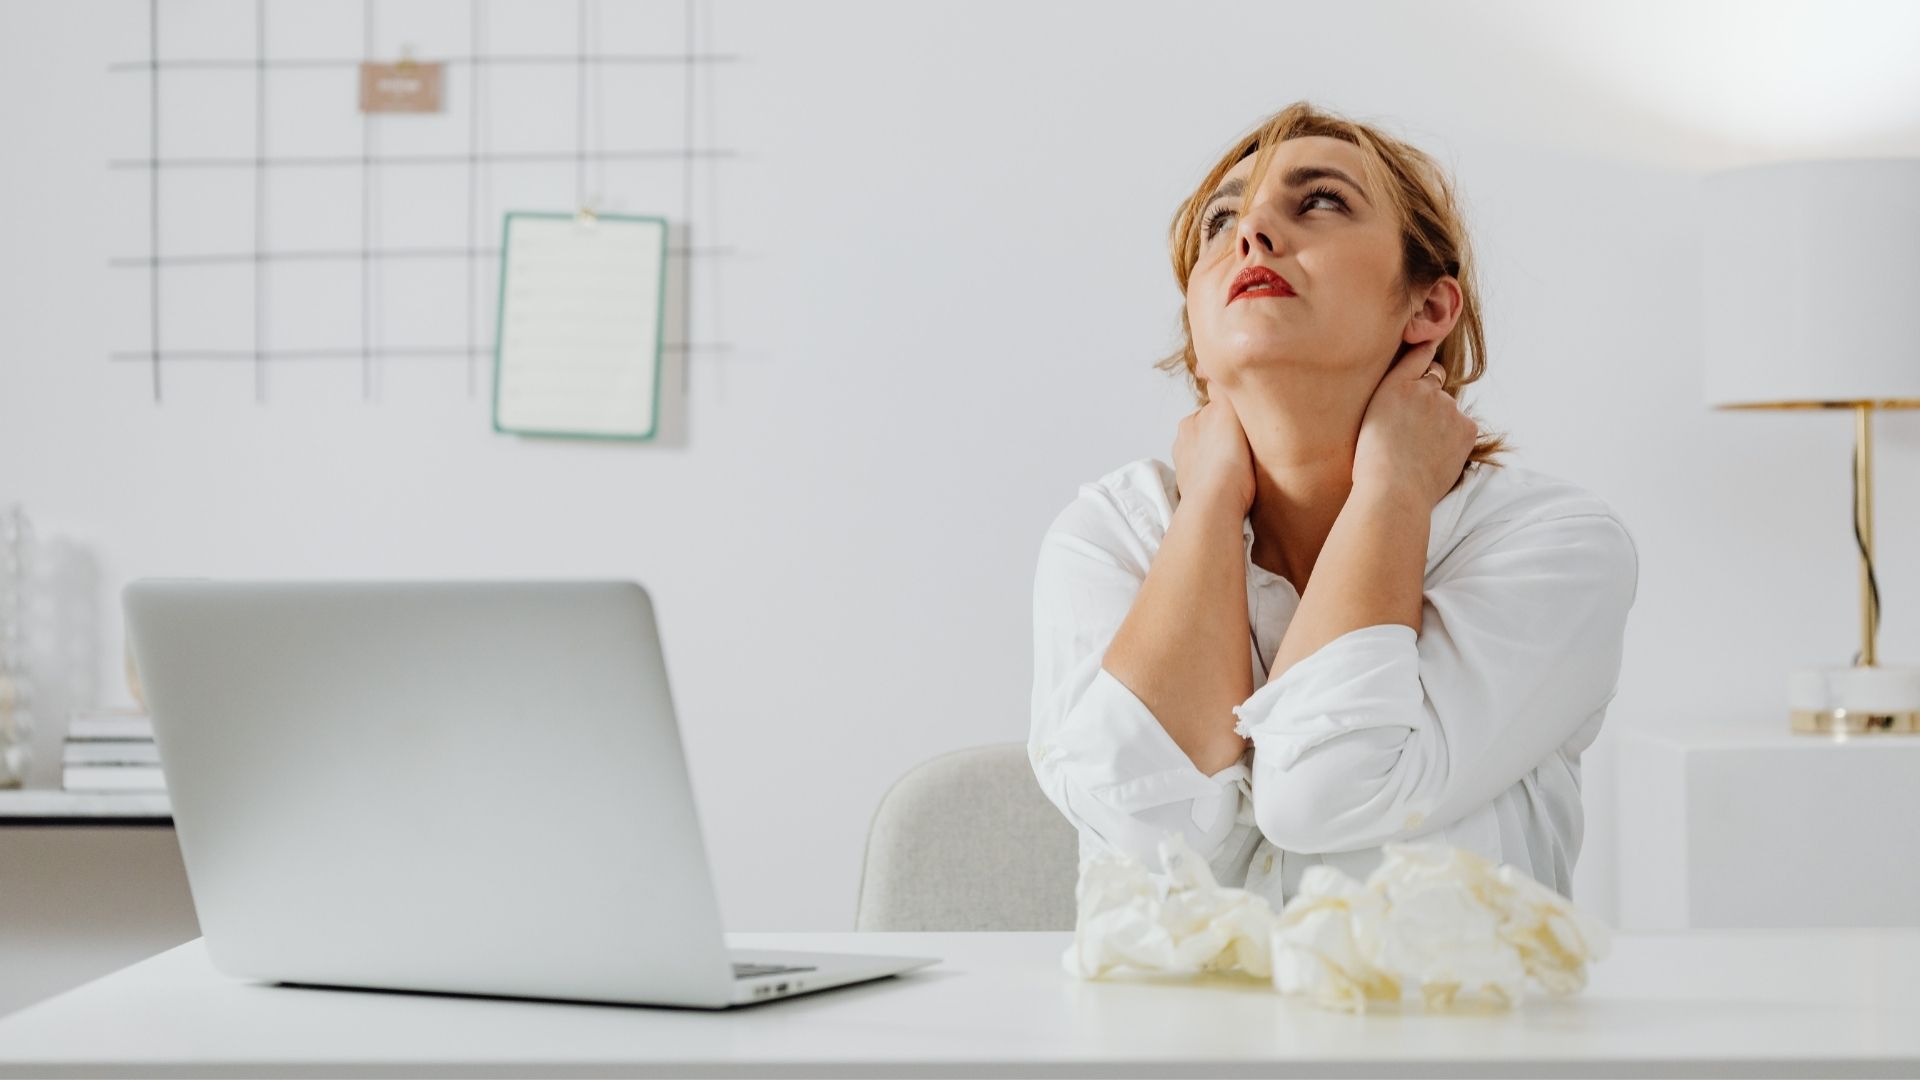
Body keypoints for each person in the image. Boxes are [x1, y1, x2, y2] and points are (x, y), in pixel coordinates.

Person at [1028, 101, 1639, 906]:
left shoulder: (1554, 546)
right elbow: (1144, 829)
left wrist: (1392, 486)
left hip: (1452, 1030)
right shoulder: (1112, 534)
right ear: (1195, 330)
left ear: (1427, 308)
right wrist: (1210, 498)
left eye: (1319, 200)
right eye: (1221, 220)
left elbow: (1326, 793)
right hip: (1166, 1033)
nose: (1252, 234)